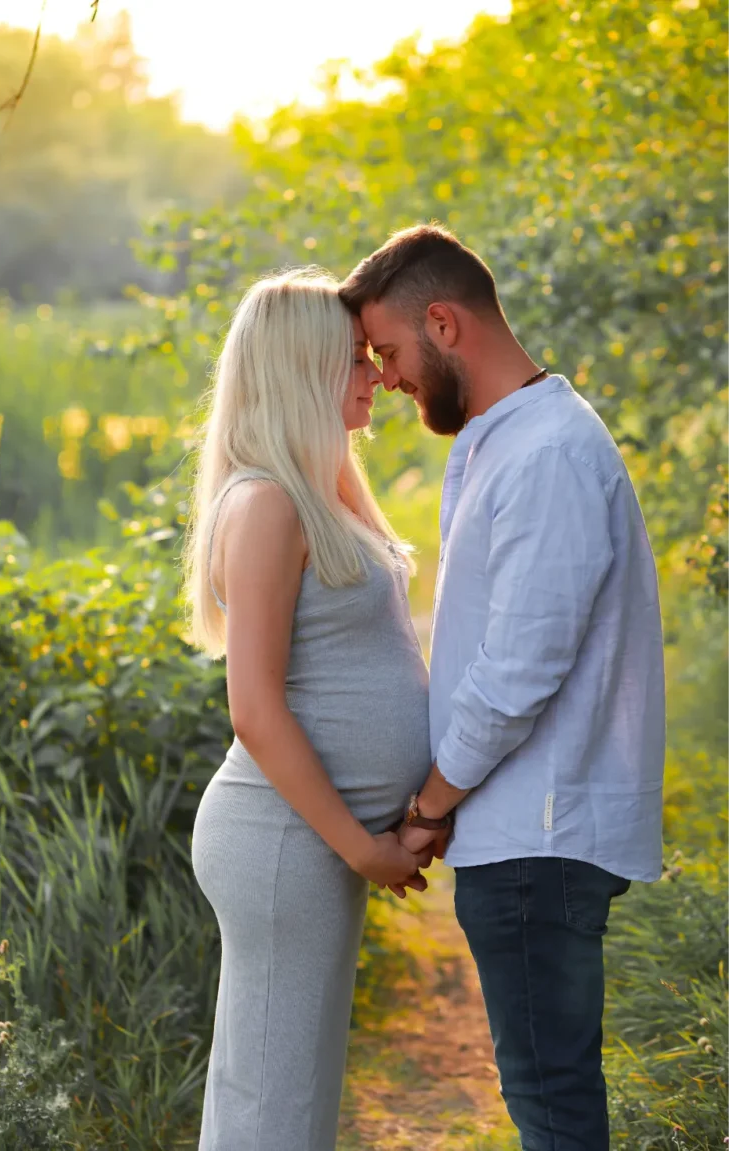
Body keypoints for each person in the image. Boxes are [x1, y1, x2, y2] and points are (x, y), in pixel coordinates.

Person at [339, 224, 666, 1151]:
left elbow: (521, 667)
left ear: (444, 321)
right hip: (523, 830)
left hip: (541, 835)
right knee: (545, 1092)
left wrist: (434, 803)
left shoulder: (549, 452)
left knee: (551, 1101)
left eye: (391, 352)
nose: (388, 378)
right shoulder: (504, 440)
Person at [185, 268, 442, 1151]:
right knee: (273, 1104)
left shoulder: (320, 492)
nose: (375, 376)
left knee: (285, 1094)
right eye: (353, 361)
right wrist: (362, 843)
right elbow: (255, 710)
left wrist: (408, 817)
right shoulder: (264, 505)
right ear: (300, 370)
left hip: (312, 842)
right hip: (283, 842)